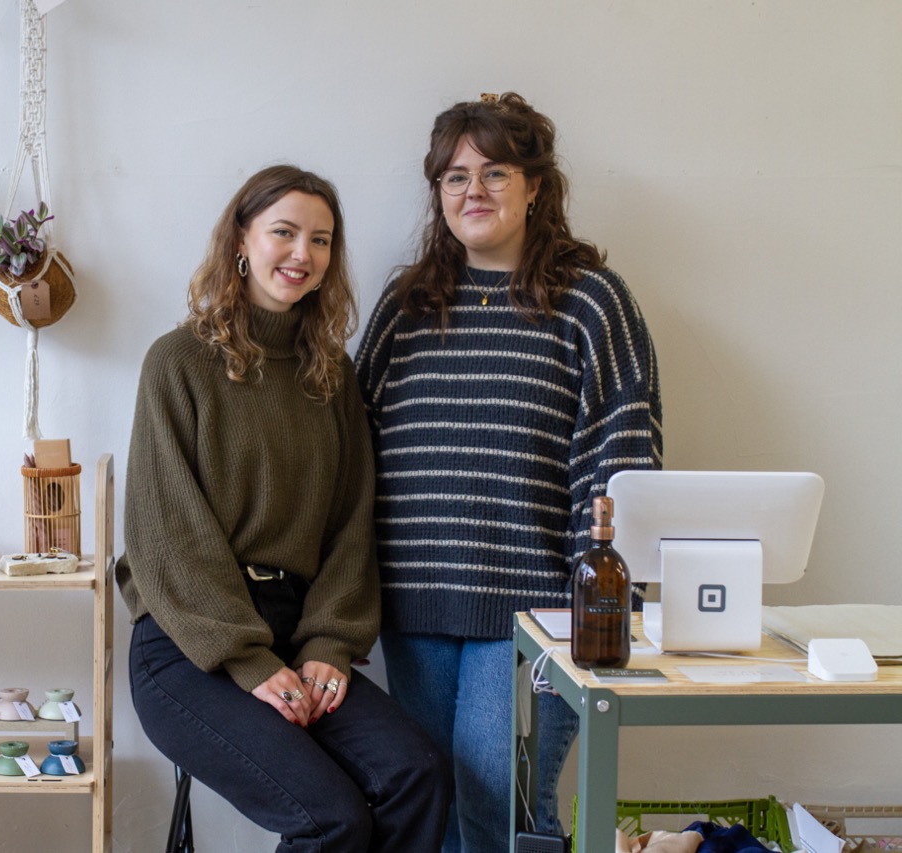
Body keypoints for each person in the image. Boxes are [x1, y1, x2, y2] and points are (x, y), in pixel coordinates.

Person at [355, 93, 663, 852]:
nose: (475, 192)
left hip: (539, 615)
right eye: (455, 177)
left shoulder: (591, 303)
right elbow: (353, 450)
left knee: (502, 805)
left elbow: (623, 461)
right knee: (437, 808)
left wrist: (604, 605)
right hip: (415, 606)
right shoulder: (405, 308)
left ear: (535, 187)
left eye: (496, 172)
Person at [118, 164, 452, 853]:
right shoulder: (177, 363)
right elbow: (168, 535)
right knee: (330, 818)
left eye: (322, 240)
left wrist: (329, 645)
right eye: (284, 232)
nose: (304, 254)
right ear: (241, 240)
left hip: (298, 634)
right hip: (191, 646)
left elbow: (351, 527)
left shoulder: (330, 377)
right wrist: (249, 661)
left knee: (415, 773)